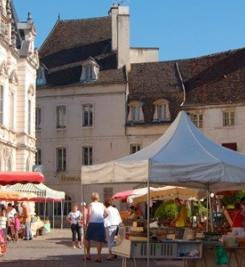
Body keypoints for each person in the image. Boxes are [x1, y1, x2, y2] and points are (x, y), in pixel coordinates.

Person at [85, 192, 107, 262]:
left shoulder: (91, 204)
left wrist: (87, 223)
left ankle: (88, 254)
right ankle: (98, 256)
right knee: (99, 240)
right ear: (98, 198)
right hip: (100, 223)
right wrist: (103, 218)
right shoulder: (102, 205)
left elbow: (89, 214)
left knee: (87, 239)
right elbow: (107, 213)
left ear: (91, 198)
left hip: (92, 222)